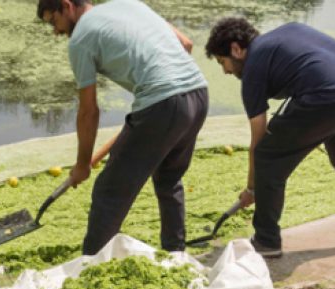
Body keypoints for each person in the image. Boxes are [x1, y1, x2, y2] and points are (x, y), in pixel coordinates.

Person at [204, 18, 335, 258]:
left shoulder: (253, 68)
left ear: (236, 49)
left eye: (223, 62)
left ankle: (266, 240)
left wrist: (252, 188)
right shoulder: (290, 30)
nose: (226, 71)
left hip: (329, 96)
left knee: (267, 156)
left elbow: (258, 137)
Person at [37, 0, 209, 254]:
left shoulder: (81, 38)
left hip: (162, 105)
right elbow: (185, 44)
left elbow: (88, 111)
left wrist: (83, 164)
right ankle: (176, 255)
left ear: (67, 6)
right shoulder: (129, 4)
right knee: (168, 178)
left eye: (54, 21)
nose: (56, 31)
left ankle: (91, 267)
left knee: (109, 192)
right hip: (198, 93)